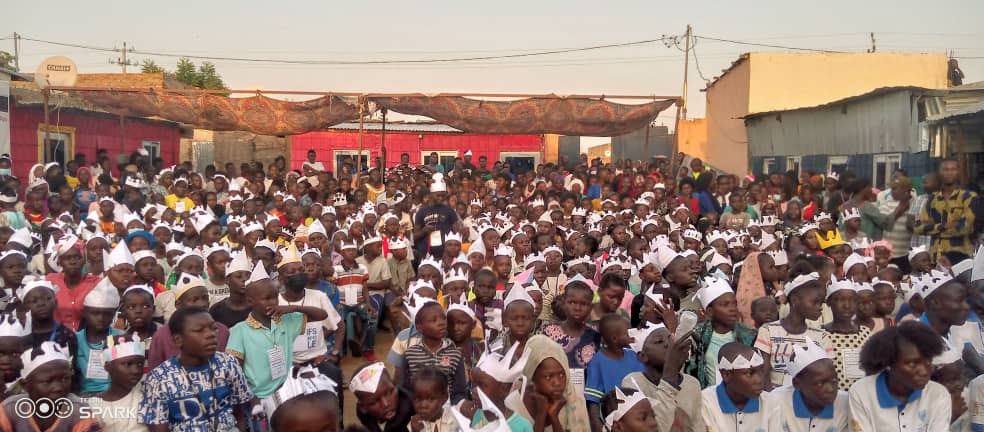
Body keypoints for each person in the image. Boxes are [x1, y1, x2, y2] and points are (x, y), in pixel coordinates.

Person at [226, 260, 329, 416]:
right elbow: (236, 371)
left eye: (275, 297)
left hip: (286, 390)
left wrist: (293, 307)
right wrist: (251, 397)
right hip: (258, 396)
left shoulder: (286, 321)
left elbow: (322, 315)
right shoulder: (240, 331)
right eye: (266, 298)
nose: (273, 302)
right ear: (250, 301)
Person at [139, 306, 254, 432]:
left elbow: (239, 414)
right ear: (178, 340)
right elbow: (158, 427)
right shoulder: (159, 378)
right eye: (199, 330)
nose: (210, 334)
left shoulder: (228, 363)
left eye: (214, 328)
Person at [848, 321, 950, 432]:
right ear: (889, 363)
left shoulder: (938, 395)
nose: (924, 371)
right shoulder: (862, 393)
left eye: (928, 361)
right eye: (912, 364)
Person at [755, 272, 833, 388]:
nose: (820, 307)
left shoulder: (821, 336)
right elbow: (763, 372)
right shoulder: (768, 331)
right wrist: (770, 398)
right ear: (795, 300)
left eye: (821, 303)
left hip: (807, 397)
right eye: (815, 302)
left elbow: (826, 373)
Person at [623, 321, 704, 431]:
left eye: (670, 339)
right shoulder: (633, 382)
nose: (668, 344)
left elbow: (697, 426)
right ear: (642, 356)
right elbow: (657, 428)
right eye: (659, 341)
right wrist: (670, 376)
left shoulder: (692, 383)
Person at [765, 341, 851, 431]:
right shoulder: (776, 402)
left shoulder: (846, 403)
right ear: (797, 383)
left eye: (833, 380)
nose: (830, 389)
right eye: (820, 383)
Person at [687, 277, 757, 389]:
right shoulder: (697, 336)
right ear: (710, 311)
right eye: (725, 304)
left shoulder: (749, 335)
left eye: (734, 304)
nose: (733, 309)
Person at [585, 314, 645, 432]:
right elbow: (593, 402)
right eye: (627, 333)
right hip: (614, 421)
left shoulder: (634, 355)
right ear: (614, 338)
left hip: (639, 416)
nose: (631, 335)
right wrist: (598, 428)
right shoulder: (598, 361)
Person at [914, 159, 979, 259]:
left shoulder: (969, 197)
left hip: (961, 256)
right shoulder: (932, 199)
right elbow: (918, 227)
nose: (949, 173)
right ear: (939, 173)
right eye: (945, 169)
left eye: (953, 169)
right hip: (934, 256)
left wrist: (934, 227)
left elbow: (965, 228)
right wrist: (945, 226)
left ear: (959, 172)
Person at [700, 342, 769, 431]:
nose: (759, 380)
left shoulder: (770, 403)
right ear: (726, 375)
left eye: (761, 371)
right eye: (749, 373)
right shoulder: (705, 403)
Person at [87, 334, 148, 432]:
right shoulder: (96, 405)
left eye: (140, 364)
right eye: (128, 364)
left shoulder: (147, 394)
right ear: (108, 366)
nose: (136, 370)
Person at [352, 362, 415, 432]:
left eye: (390, 393)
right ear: (363, 408)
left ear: (394, 384)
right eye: (374, 402)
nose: (386, 404)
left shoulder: (413, 408)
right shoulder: (364, 415)